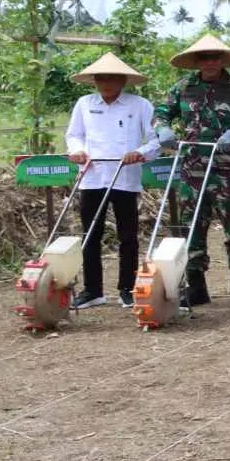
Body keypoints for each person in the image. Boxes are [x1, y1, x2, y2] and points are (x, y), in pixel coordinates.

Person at [154, 34, 230, 307]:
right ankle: (197, 287)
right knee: (191, 227)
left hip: (228, 169)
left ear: (223, 60)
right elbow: (161, 113)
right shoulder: (183, 87)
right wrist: (163, 129)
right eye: (205, 58)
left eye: (215, 57)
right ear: (197, 61)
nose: (210, 62)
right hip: (192, 169)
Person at [63, 53, 159, 309]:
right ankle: (93, 290)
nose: (106, 83)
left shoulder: (140, 105)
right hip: (92, 175)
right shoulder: (85, 103)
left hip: (125, 176)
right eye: (101, 78)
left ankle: (127, 288)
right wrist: (77, 150)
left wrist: (140, 152)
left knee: (128, 236)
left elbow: (155, 139)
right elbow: (74, 135)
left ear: (123, 80)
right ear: (94, 80)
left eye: (112, 78)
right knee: (90, 233)